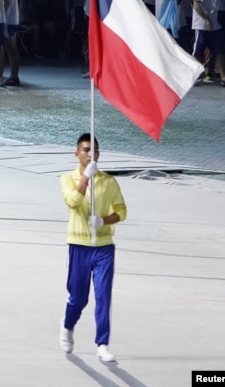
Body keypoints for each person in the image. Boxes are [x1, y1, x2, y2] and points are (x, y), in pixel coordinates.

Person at [59, 133, 127, 363]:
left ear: (99, 154)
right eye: (86, 150)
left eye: (94, 150)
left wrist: (104, 220)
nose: (90, 154)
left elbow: (122, 211)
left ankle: (102, 343)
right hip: (79, 245)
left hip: (104, 247)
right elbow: (72, 203)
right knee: (79, 298)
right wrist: (85, 180)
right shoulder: (67, 179)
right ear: (76, 153)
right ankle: (67, 326)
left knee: (103, 296)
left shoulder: (109, 182)